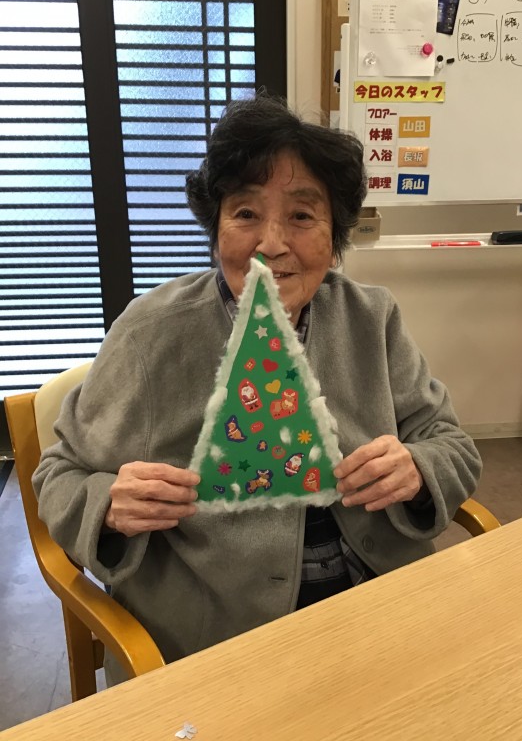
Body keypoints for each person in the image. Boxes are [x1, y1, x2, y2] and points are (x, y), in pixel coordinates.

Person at [33, 96, 481, 685]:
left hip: (382, 601)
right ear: (216, 225)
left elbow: (450, 442)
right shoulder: (150, 334)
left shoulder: (372, 318)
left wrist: (418, 469)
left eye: (302, 216)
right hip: (219, 633)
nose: (271, 243)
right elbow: (58, 475)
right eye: (245, 213)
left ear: (335, 235)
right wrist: (109, 506)